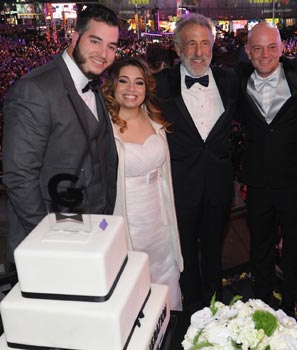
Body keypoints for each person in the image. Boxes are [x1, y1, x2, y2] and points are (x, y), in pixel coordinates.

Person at [2, 5, 120, 263]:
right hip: (51, 243)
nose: (103, 54)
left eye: (111, 46)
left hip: (93, 231)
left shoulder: (94, 84)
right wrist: (49, 240)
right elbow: (20, 177)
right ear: (75, 37)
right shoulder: (34, 90)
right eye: (95, 41)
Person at [154, 13, 239, 313]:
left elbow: (275, 78)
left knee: (214, 247)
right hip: (180, 185)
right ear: (177, 48)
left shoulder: (231, 81)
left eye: (205, 43)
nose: (199, 51)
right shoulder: (158, 85)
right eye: (191, 43)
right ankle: (191, 306)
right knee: (184, 250)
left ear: (214, 46)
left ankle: (215, 301)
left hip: (218, 184)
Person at [234, 22, 297, 315]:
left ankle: (291, 303)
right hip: (257, 182)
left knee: (294, 248)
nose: (265, 54)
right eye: (257, 48)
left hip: (296, 182)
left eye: (272, 47)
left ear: (282, 48)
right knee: (260, 247)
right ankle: (262, 301)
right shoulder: (237, 79)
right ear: (248, 51)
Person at [101, 57, 184, 310]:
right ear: (113, 86)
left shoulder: (156, 120)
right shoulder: (104, 128)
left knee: (165, 280)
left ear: (147, 87)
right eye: (123, 81)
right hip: (127, 222)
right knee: (133, 288)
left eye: (138, 82)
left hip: (160, 220)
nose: (131, 89)